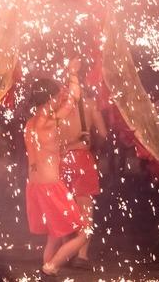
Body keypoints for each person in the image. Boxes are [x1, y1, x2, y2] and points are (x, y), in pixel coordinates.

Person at [24, 60, 89, 277]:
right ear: (51, 98)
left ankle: (47, 274)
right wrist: (72, 73)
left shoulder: (30, 124)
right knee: (83, 232)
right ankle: (51, 267)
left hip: (34, 186)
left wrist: (73, 144)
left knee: (53, 235)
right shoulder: (52, 122)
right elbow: (74, 96)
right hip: (51, 187)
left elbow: (48, 152)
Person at [57, 90, 107, 269]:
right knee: (85, 209)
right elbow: (103, 133)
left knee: (65, 206)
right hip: (82, 158)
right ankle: (82, 255)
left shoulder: (57, 104)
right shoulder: (91, 104)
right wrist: (95, 148)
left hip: (60, 160)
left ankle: (66, 251)